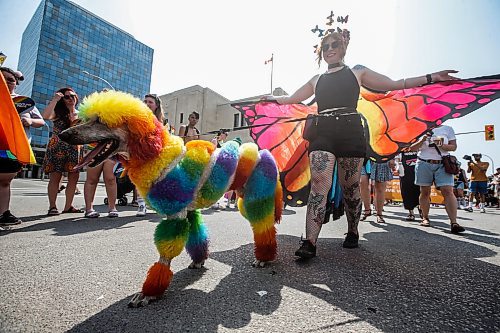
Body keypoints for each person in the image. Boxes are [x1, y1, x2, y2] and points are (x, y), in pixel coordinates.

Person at [264, 28, 460, 257]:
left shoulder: (357, 72)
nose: (329, 50)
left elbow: (396, 84)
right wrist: (270, 100)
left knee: (351, 189)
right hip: (322, 132)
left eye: (334, 44)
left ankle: (353, 230)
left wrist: (431, 78)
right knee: (319, 184)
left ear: (343, 46)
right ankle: (309, 242)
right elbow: (290, 100)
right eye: (325, 46)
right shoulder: (316, 80)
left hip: (350, 133)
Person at [0, 67, 45, 226]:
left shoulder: (24, 101)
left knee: (5, 181)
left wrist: (30, 121)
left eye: (11, 80)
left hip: (12, 148)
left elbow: (41, 121)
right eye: (3, 78)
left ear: (16, 84)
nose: (7, 81)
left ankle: (4, 214)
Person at [410, 125, 465, 233]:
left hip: (443, 163)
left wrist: (442, 145)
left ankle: (454, 222)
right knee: (425, 191)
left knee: (448, 191)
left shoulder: (447, 129)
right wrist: (423, 139)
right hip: (423, 162)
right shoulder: (419, 127)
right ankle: (425, 218)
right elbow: (412, 148)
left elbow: (453, 147)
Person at [42, 88, 83, 215]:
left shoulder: (81, 114)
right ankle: (52, 207)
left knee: (73, 178)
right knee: (55, 176)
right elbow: (45, 116)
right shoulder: (58, 113)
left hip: (75, 147)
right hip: (58, 147)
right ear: (62, 99)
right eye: (67, 97)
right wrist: (55, 100)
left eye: (73, 95)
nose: (70, 98)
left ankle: (68, 206)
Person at [133, 93, 166, 217]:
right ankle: (141, 205)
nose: (147, 103)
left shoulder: (160, 122)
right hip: (140, 152)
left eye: (150, 102)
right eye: (145, 101)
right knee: (140, 179)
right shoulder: (138, 118)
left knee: (155, 180)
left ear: (156, 106)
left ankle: (154, 204)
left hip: (155, 154)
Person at [398, 151, 421, 221]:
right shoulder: (401, 143)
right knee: (406, 191)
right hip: (405, 171)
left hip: (419, 169)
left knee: (420, 190)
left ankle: (422, 209)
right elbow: (397, 156)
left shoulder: (418, 141)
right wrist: (397, 165)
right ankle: (411, 212)